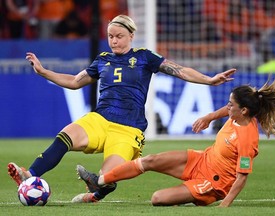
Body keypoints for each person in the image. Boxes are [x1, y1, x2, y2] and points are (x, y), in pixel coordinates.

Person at [7, 14, 236, 203]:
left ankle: (96, 193)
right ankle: (30, 175)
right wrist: (44, 71)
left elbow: (180, 70)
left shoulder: (145, 57)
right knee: (64, 136)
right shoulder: (102, 59)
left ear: (131, 36)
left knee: (108, 177)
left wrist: (209, 80)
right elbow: (75, 81)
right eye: (110, 36)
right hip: (100, 119)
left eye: (119, 36)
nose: (114, 41)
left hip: (128, 128)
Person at [73, 78, 275, 206]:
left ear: (244, 110)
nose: (227, 107)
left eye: (231, 104)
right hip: (203, 159)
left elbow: (241, 178)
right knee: (150, 160)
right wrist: (209, 117)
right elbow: (226, 110)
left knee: (157, 198)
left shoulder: (247, 139)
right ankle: (99, 182)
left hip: (213, 183)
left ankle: (201, 198)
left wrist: (225, 205)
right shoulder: (237, 114)